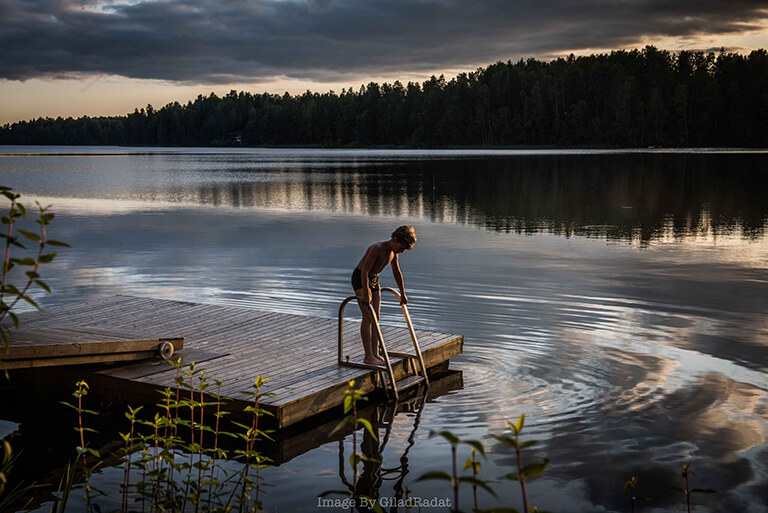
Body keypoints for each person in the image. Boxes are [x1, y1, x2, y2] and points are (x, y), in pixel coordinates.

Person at [351, 225, 416, 366]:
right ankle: (368, 356)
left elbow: (397, 273)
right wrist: (366, 294)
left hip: (374, 280)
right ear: (394, 239)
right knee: (368, 317)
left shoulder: (394, 253)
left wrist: (403, 293)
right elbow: (364, 272)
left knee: (376, 318)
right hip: (361, 278)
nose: (402, 251)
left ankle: (375, 353)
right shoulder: (376, 248)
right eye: (401, 247)